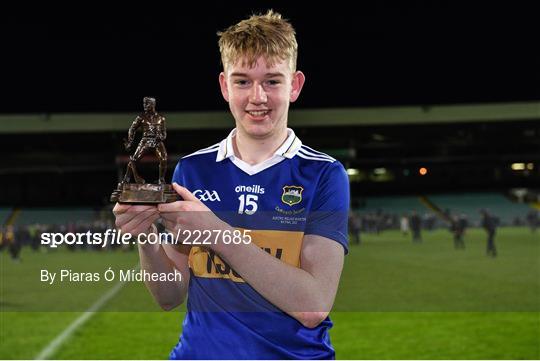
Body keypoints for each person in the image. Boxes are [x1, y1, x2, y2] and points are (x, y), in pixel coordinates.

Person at [113, 10, 349, 359]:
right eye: (242, 82)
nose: (257, 97)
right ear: (225, 86)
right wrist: (147, 237)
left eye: (272, 81)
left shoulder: (324, 175)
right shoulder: (193, 170)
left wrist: (217, 233)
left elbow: (312, 306)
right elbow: (169, 296)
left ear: (294, 85)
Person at [122, 97, 167, 184]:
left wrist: (161, 137)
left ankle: (161, 179)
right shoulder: (141, 117)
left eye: (147, 104)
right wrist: (130, 141)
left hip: (157, 142)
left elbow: (164, 133)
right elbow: (132, 129)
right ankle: (126, 179)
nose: (144, 106)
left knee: (164, 159)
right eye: (144, 104)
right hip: (145, 141)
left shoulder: (161, 118)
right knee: (134, 160)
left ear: (153, 104)